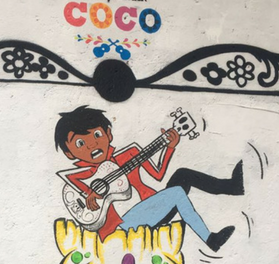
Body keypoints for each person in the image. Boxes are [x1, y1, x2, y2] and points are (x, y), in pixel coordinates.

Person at [55, 106, 244, 250]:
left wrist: (169, 147)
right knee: (177, 193)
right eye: (80, 143)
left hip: (151, 210)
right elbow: (69, 178)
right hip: (122, 226)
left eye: (97, 135)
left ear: (108, 134)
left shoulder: (131, 153)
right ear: (69, 153)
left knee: (182, 175)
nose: (91, 145)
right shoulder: (86, 174)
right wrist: (89, 192)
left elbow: (158, 174)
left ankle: (232, 186)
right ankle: (211, 240)